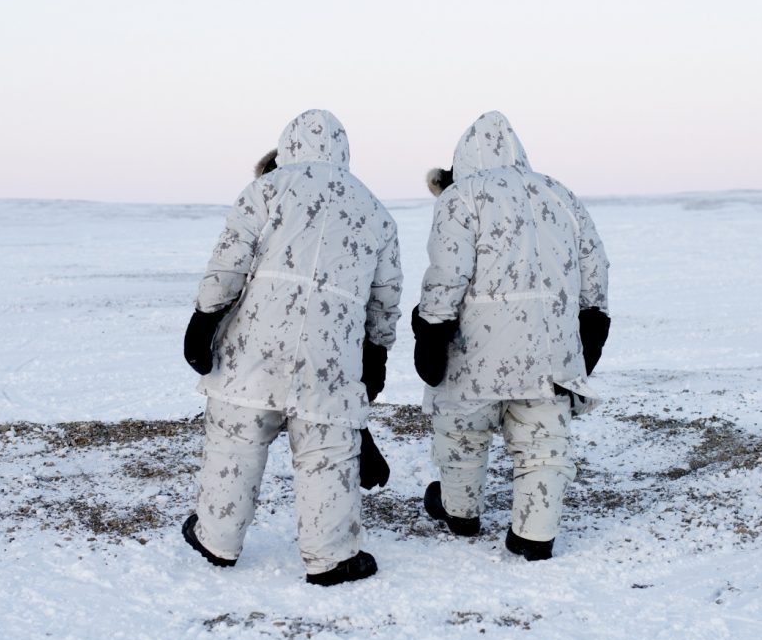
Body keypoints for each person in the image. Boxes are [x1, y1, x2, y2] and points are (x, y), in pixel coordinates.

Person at [181, 109, 402, 586]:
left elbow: (230, 261)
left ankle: (216, 540)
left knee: (235, 440)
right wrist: (376, 352)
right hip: (331, 356)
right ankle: (331, 557)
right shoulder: (375, 212)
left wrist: (204, 319)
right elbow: (385, 299)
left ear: (287, 147)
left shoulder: (266, 188)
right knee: (327, 452)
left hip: (254, 347)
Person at [413, 111, 610, 561]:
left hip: (475, 348)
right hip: (549, 348)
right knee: (543, 443)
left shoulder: (461, 196)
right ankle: (533, 536)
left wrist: (432, 329)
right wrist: (592, 324)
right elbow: (595, 268)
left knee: (462, 430)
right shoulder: (560, 195)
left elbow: (447, 272)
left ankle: (460, 512)